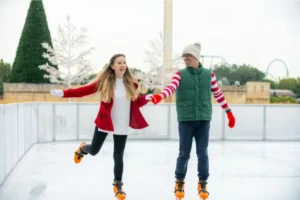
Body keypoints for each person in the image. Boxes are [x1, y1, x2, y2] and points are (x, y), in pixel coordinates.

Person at [50, 54, 153, 200]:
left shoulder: (131, 83)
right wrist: (64, 93)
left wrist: (146, 98)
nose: (123, 65)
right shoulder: (105, 82)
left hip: (122, 124)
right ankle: (83, 148)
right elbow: (83, 91)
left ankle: (118, 185)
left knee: (118, 155)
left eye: (124, 62)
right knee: (93, 151)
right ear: (112, 66)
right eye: (119, 63)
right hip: (106, 122)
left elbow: (135, 103)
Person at [150, 43, 236, 200]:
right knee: (184, 153)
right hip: (186, 120)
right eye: (184, 56)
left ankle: (203, 182)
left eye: (187, 56)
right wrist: (160, 96)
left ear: (196, 56)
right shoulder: (180, 74)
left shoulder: (209, 75)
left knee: (202, 153)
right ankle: (179, 182)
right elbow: (171, 87)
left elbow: (218, 94)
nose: (185, 59)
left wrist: (228, 112)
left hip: (203, 120)